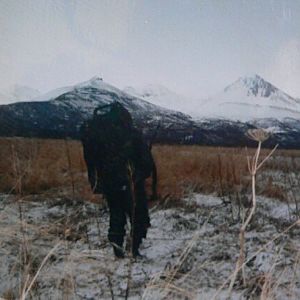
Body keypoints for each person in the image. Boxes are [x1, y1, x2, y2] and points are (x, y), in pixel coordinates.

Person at [81, 102, 157, 258]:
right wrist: (140, 175)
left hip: (110, 183)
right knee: (138, 216)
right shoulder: (132, 134)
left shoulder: (100, 135)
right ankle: (134, 250)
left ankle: (117, 250)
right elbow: (146, 162)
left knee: (116, 215)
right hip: (132, 183)